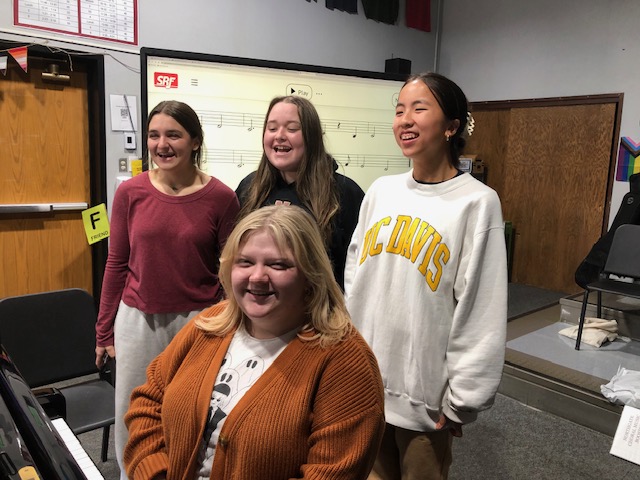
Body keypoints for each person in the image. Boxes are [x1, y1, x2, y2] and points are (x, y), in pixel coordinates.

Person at [123, 205, 385, 480]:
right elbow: (148, 401)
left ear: (311, 276)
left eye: (278, 264)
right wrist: (155, 474)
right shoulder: (210, 324)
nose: (257, 277)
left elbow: (332, 473)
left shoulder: (345, 362)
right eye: (245, 262)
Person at [344, 72, 507, 479]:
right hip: (367, 386)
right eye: (399, 110)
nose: (405, 120)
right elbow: (354, 279)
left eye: (419, 108)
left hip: (426, 398)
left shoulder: (477, 203)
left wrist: (464, 399)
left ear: (451, 126)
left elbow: (481, 308)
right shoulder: (381, 191)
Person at [95, 100, 240, 477]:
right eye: (154, 135)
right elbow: (116, 263)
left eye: (173, 135)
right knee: (134, 413)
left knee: (189, 410)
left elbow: (230, 269)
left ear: (195, 141)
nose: (162, 144)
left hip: (200, 321)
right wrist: (103, 329)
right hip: (138, 320)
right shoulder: (131, 192)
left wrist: (231, 324)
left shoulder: (222, 198)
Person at [235, 95, 364, 289]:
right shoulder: (249, 188)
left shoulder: (346, 193)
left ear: (312, 137)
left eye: (292, 128)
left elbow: (357, 270)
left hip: (321, 313)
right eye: (272, 128)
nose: (279, 135)